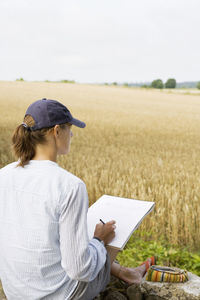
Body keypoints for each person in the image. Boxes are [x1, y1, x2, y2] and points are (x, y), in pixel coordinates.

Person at [0, 98, 154, 300]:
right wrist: (100, 240)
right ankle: (128, 272)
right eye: (69, 128)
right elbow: (80, 270)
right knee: (99, 240)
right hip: (59, 295)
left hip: (15, 290)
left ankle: (126, 272)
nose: (71, 134)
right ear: (56, 131)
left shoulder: (5, 173)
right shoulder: (70, 186)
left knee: (77, 241)